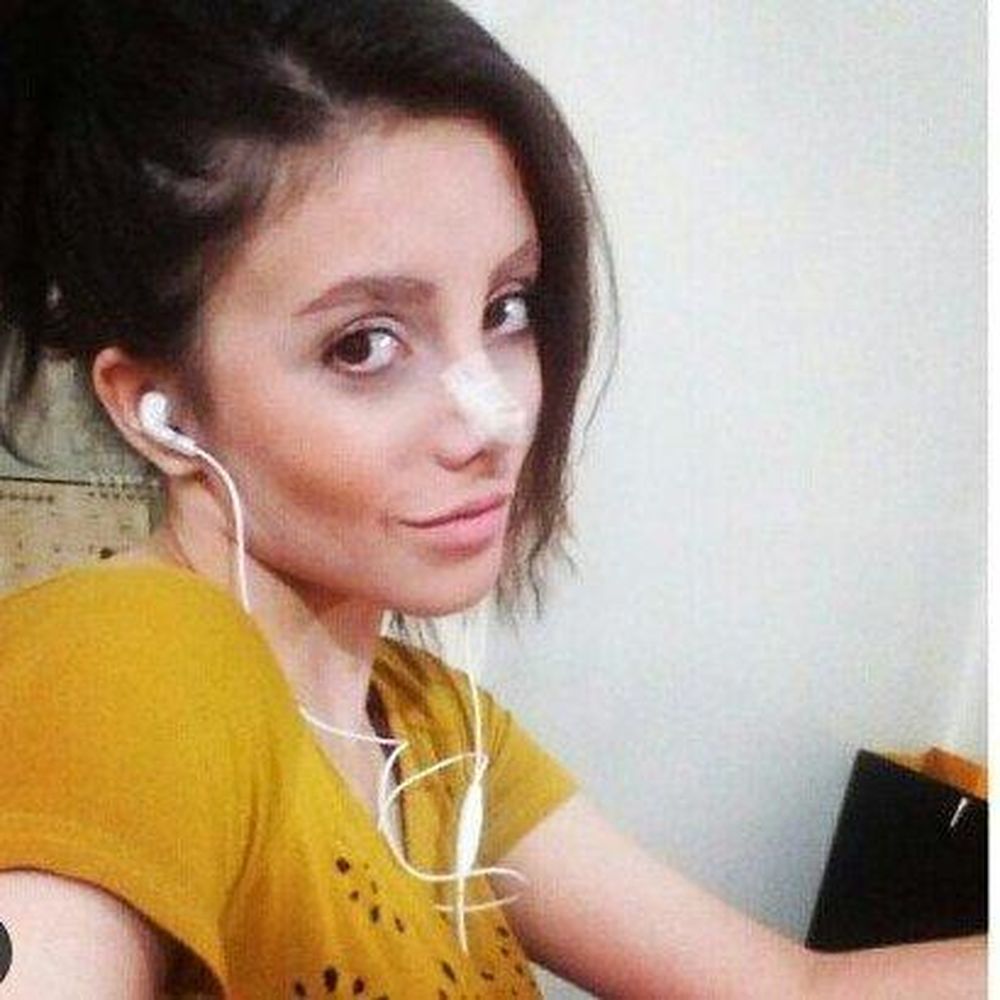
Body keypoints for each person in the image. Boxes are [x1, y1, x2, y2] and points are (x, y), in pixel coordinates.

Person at [0, 1, 985, 996]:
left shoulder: (434, 727)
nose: (494, 421)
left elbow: (789, 990)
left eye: (506, 308)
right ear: (155, 408)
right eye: (364, 344)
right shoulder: (128, 654)